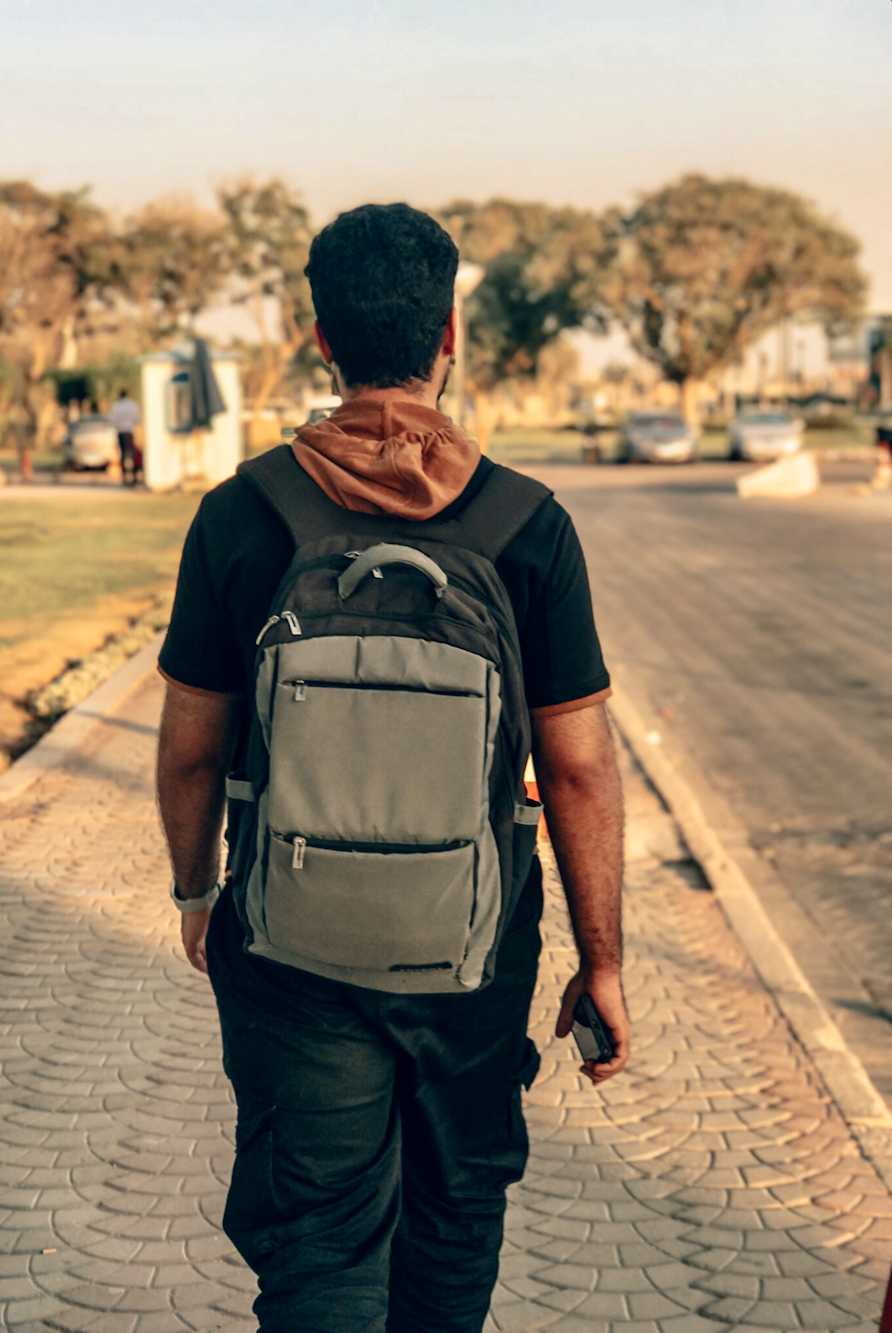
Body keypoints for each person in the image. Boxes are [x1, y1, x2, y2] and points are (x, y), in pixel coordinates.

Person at [156, 203, 629, 1333]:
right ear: (450, 332)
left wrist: (196, 892)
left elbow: (188, 745)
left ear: (321, 336)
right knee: (451, 1225)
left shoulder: (241, 514)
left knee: (319, 1248)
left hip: (288, 944)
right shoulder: (527, 526)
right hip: (471, 956)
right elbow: (576, 770)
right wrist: (601, 959)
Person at [109, 389, 141, 485]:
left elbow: (113, 420)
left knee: (123, 454)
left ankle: (125, 476)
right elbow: (137, 418)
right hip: (131, 431)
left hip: (121, 432)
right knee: (132, 453)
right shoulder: (132, 405)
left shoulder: (116, 406)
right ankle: (134, 474)